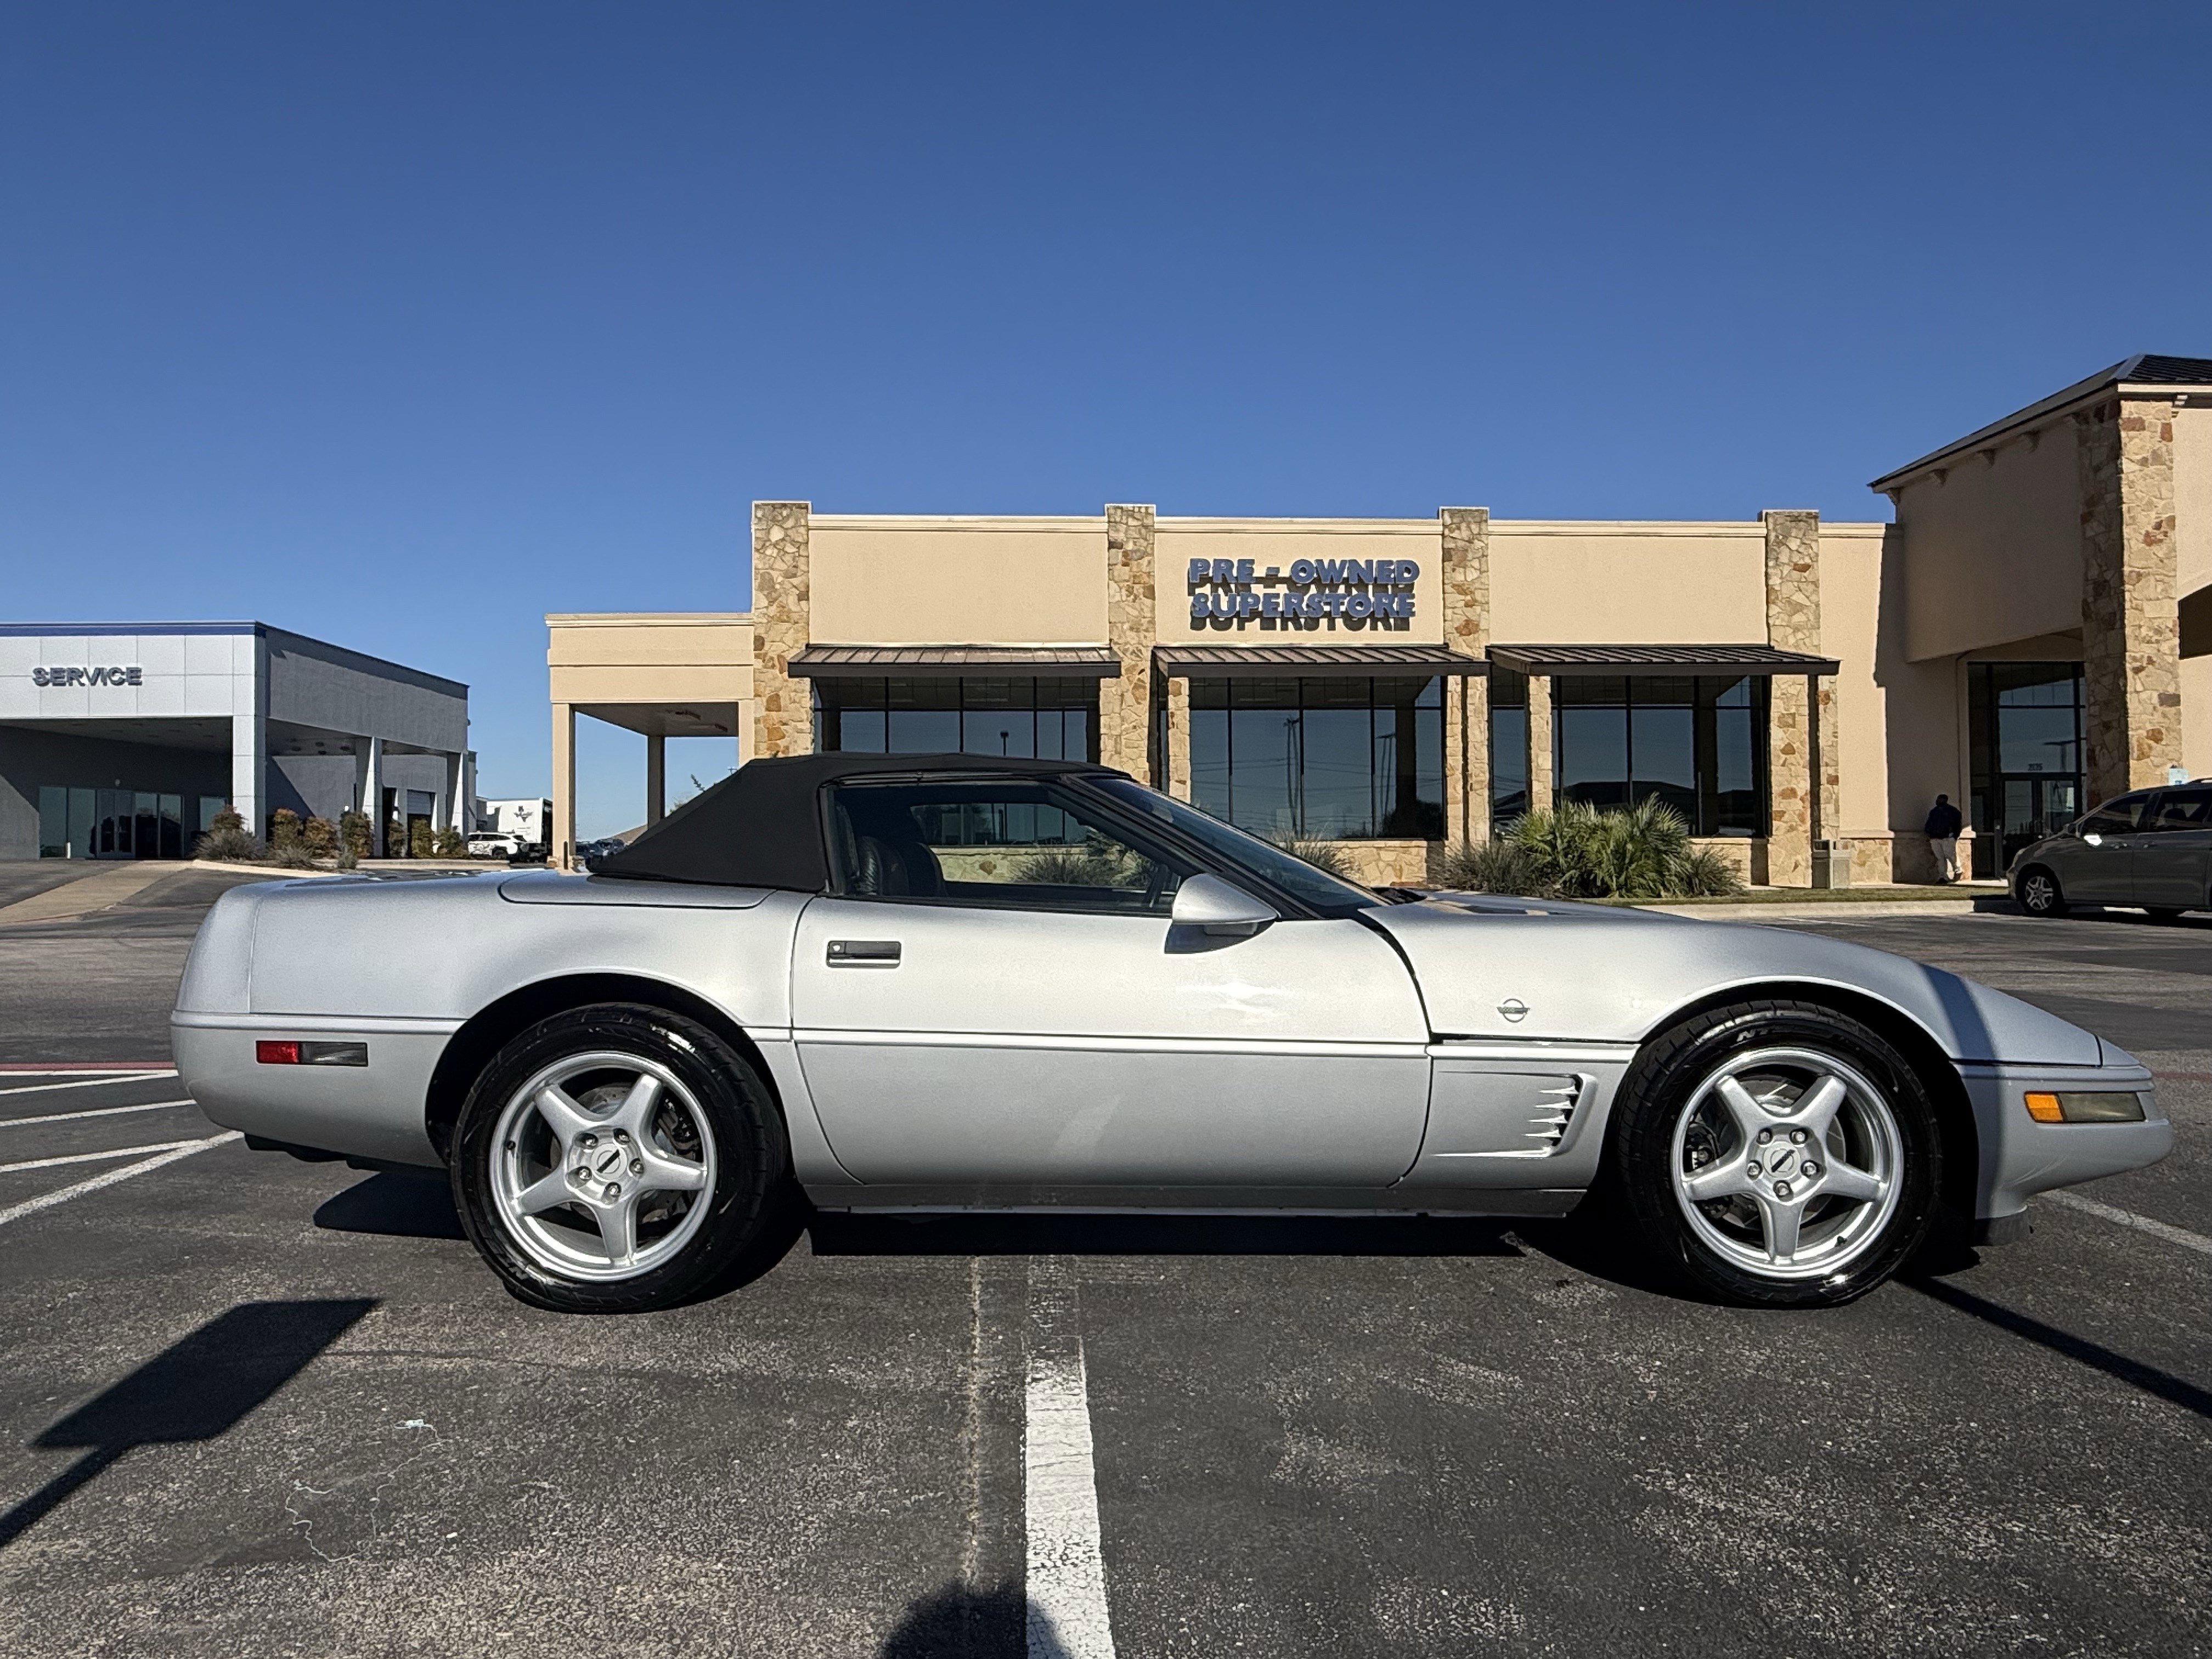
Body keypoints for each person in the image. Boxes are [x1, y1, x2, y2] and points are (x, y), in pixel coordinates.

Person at [1925, 793, 1964, 883]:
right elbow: (1929, 823)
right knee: (1940, 858)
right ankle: (1943, 876)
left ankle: (1958, 870)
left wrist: (1954, 835)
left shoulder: (1952, 812)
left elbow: (1957, 824)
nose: (1938, 801)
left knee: (1950, 855)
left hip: (1947, 838)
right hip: (1935, 838)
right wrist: (1929, 832)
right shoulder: (1934, 812)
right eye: (1938, 799)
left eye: (1941, 799)